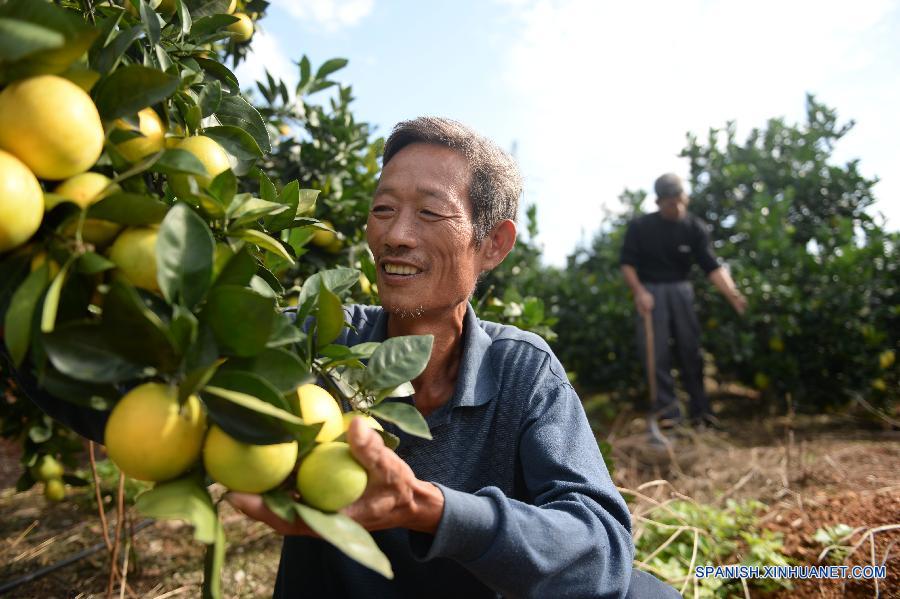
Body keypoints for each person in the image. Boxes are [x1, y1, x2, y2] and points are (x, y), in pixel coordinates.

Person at [9, 118, 680, 598]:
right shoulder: (309, 346)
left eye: (428, 212)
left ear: (494, 242)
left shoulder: (522, 370)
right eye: (383, 208)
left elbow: (599, 549)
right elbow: (138, 400)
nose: (394, 233)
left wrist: (431, 508)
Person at [620, 173, 746, 429]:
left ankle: (702, 414)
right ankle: (669, 415)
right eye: (669, 203)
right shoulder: (641, 227)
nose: (676, 207)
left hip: (682, 291)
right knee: (656, 355)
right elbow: (627, 264)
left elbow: (712, 266)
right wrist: (639, 292)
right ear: (658, 202)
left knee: (691, 350)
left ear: (685, 197)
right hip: (652, 292)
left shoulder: (694, 227)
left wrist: (733, 295)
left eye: (679, 200)